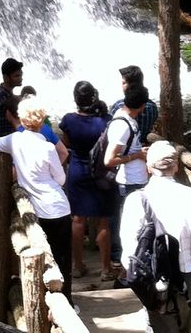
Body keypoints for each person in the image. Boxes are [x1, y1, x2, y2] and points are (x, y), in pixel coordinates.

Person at [120, 140, 191, 331]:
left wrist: (144, 285)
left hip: (156, 280)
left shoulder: (136, 200)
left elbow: (129, 254)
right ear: (175, 167)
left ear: (148, 167)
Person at [0, 97, 73, 306]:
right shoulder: (47, 147)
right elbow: (61, 179)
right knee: (62, 257)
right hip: (57, 207)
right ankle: (67, 301)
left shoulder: (13, 140)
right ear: (43, 120)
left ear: (21, 117)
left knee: (41, 258)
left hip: (34, 210)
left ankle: (42, 300)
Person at [59, 80, 115, 281]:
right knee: (103, 221)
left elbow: (66, 145)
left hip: (78, 170)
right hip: (101, 171)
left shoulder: (68, 121)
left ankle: (77, 266)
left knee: (77, 219)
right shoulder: (106, 120)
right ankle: (106, 268)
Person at [105, 81, 151, 270]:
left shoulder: (123, 117)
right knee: (130, 225)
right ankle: (126, 263)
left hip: (133, 179)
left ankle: (128, 261)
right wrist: (137, 155)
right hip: (130, 182)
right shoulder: (123, 125)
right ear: (142, 106)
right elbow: (109, 160)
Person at [110, 65, 159, 144]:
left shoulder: (119, 106)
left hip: (122, 151)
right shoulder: (153, 107)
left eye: (123, 83)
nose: (122, 86)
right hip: (143, 148)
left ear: (131, 86)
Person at [0, 58, 23, 140]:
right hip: (8, 142)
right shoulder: (4, 98)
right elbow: (17, 124)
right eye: (17, 76)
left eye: (21, 75)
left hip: (0, 141)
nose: (21, 78)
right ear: (6, 77)